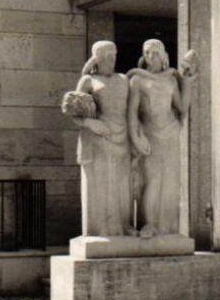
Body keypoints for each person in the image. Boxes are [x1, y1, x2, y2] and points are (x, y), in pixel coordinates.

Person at [61, 40, 132, 238]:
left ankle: (123, 225)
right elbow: (73, 109)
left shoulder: (123, 79)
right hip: (98, 138)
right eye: (106, 56)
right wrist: (91, 124)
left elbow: (133, 109)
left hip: (121, 136)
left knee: (122, 185)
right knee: (101, 184)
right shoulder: (88, 81)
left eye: (113, 55)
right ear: (97, 59)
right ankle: (102, 229)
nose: (111, 60)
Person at [126, 40, 197, 237]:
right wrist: (135, 136)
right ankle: (148, 224)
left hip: (170, 132)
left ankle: (168, 226)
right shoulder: (137, 80)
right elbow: (132, 112)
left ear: (163, 55)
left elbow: (182, 106)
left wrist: (188, 82)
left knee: (170, 181)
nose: (151, 57)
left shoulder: (171, 80)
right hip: (150, 134)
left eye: (155, 53)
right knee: (151, 180)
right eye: (147, 53)